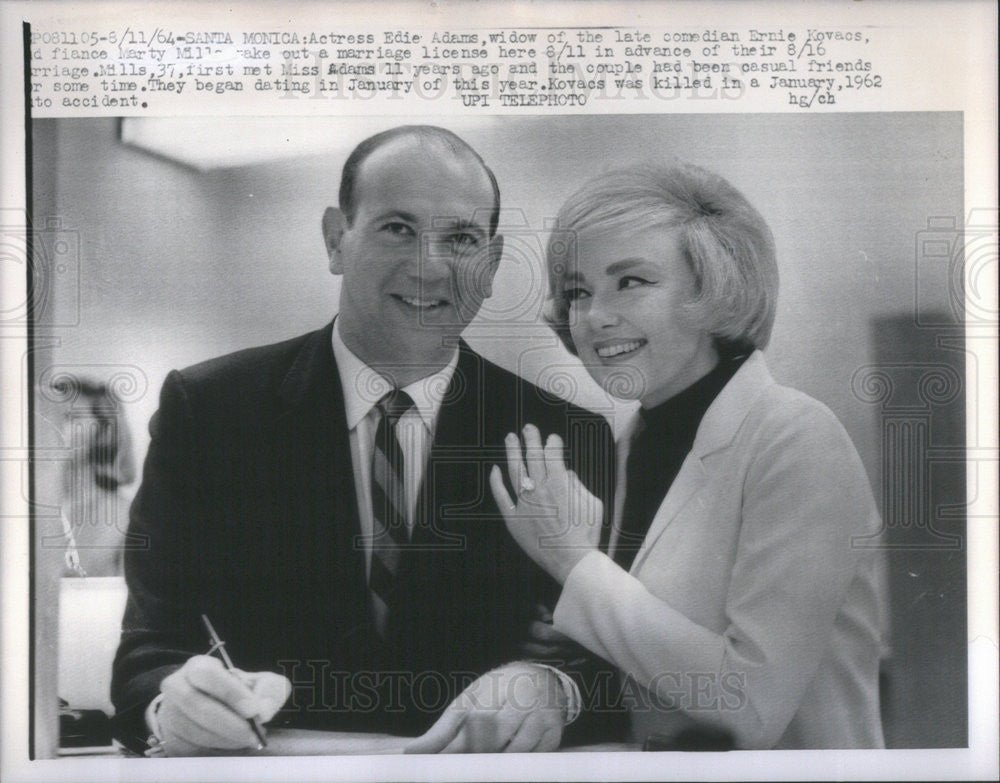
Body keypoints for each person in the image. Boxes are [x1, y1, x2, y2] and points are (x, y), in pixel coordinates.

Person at [111, 126, 615, 756]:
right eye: (397, 228)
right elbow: (148, 649)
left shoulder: (568, 436)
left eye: (460, 238)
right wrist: (169, 702)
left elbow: (616, 665)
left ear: (489, 263)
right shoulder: (210, 410)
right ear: (335, 239)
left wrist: (552, 687)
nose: (430, 267)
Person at [490, 162, 886, 749]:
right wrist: (560, 666)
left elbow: (747, 706)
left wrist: (575, 565)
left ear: (713, 288)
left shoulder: (797, 437)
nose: (596, 316)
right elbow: (650, 657)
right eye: (577, 292)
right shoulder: (632, 443)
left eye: (631, 282)